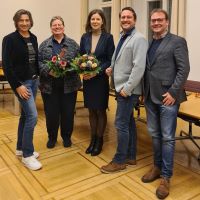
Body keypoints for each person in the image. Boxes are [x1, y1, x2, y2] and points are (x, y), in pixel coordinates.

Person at [142, 9, 190, 199]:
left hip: (167, 98)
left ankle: (166, 177)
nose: (156, 23)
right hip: (150, 96)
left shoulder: (177, 41)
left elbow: (184, 68)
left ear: (167, 22)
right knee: (154, 134)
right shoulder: (151, 42)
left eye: (159, 20)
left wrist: (172, 92)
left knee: (168, 137)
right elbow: (149, 69)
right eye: (153, 20)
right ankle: (156, 167)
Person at [100, 7, 148, 173]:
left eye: (129, 17)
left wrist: (127, 89)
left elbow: (138, 67)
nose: (125, 19)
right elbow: (118, 57)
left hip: (128, 90)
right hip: (121, 87)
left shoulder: (139, 39)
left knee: (120, 124)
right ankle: (130, 156)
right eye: (123, 17)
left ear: (134, 19)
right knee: (128, 123)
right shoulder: (122, 36)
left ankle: (119, 160)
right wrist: (111, 68)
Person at [2, 9, 42, 170]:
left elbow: (34, 61)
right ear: (16, 22)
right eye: (21, 20)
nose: (24, 23)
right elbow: (7, 65)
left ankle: (20, 148)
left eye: (27, 20)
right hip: (22, 84)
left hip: (34, 81)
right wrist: (17, 85)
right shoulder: (9, 39)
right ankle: (27, 155)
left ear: (30, 21)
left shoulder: (33, 37)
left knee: (25, 116)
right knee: (33, 117)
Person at [38, 16, 81, 149]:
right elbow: (38, 63)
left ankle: (66, 137)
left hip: (69, 86)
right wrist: (48, 71)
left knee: (68, 113)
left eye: (59, 25)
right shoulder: (44, 45)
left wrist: (69, 67)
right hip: (49, 86)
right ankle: (52, 137)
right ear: (51, 28)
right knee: (51, 113)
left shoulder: (73, 44)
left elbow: (79, 62)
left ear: (63, 26)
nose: (57, 27)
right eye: (54, 25)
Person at [80, 9, 115, 156]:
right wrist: (83, 71)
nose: (95, 21)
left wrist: (96, 71)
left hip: (100, 79)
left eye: (98, 19)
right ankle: (92, 139)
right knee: (91, 110)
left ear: (102, 22)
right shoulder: (85, 37)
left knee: (100, 110)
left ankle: (99, 140)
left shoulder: (108, 37)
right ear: (90, 21)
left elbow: (110, 59)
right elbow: (81, 57)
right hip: (88, 80)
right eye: (92, 19)